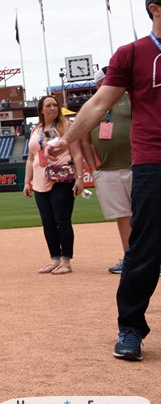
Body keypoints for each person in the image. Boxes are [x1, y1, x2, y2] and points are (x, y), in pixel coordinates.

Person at [48, 0, 161, 361]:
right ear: (155, 9)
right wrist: (67, 140)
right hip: (153, 162)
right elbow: (98, 105)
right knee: (144, 250)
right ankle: (130, 328)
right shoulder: (132, 54)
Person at [78, 66, 133, 274]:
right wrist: (93, 169)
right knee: (123, 216)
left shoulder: (130, 98)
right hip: (107, 169)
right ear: (98, 84)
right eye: (107, 80)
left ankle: (155, 259)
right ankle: (130, 258)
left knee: (147, 215)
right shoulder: (92, 106)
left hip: (136, 165)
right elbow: (83, 140)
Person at [24, 95, 85, 275]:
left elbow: (77, 154)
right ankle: (54, 259)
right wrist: (27, 181)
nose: (53, 108)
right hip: (40, 179)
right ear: (41, 110)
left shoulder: (65, 126)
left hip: (61, 178)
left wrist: (80, 178)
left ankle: (66, 261)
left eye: (55, 105)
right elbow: (30, 159)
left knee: (62, 220)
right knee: (48, 222)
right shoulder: (35, 130)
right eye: (48, 105)